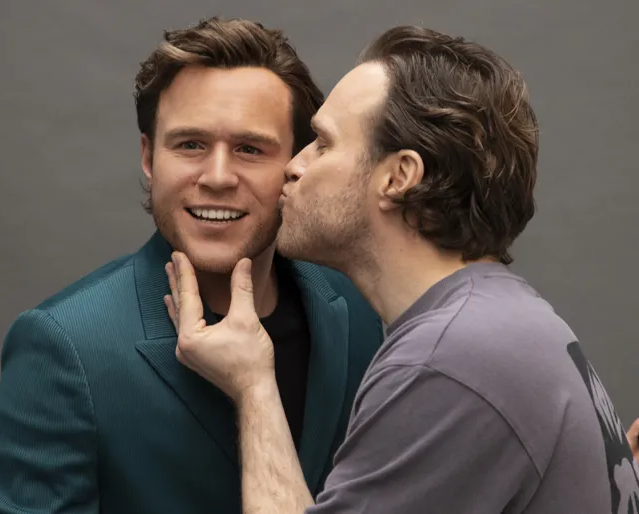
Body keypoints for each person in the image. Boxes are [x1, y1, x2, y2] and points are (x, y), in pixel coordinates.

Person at [166, 25, 639, 514]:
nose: (294, 165)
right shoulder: (509, 320)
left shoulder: (448, 360)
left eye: (322, 144)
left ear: (398, 177)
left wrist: (252, 386)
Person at [0, 17, 385, 514]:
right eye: (190, 144)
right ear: (149, 157)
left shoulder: (355, 304)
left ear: (296, 164)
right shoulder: (63, 345)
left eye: (249, 149)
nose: (217, 177)